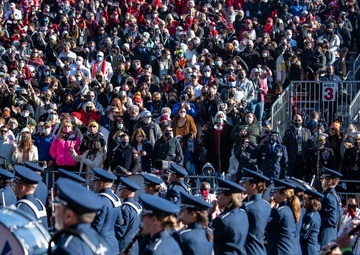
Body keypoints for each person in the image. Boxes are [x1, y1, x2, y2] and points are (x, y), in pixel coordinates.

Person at [50, 178, 111, 255]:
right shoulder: (99, 241)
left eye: (57, 209)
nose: (54, 214)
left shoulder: (66, 247)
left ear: (69, 215)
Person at [211, 178, 249, 255]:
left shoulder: (222, 220)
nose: (217, 196)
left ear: (228, 198)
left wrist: (209, 214)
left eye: (219, 194)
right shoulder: (243, 213)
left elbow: (206, 237)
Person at [240, 168, 271, 255]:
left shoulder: (246, 206)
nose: (242, 185)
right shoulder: (267, 205)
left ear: (253, 186)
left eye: (245, 183)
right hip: (261, 250)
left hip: (248, 250)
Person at [266, 179, 301, 255]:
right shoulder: (293, 210)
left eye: (275, 192)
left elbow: (264, 225)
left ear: (283, 194)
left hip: (280, 250)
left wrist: (268, 208)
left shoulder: (279, 211)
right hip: (291, 249)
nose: (273, 195)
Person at [91, 168, 122, 255]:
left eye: (95, 182)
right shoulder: (115, 198)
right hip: (112, 244)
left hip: (100, 245)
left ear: (101, 183)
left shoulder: (100, 200)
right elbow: (119, 223)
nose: (93, 184)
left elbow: (96, 225)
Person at [116, 177, 142, 255]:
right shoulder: (138, 206)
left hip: (124, 247)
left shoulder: (124, 208)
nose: (119, 190)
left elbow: (120, 231)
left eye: (121, 188)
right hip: (134, 246)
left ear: (126, 191)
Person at [282, 114, 312, 179]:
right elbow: (284, 146)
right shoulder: (288, 132)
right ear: (293, 121)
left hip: (303, 159)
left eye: (299, 120)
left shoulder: (307, 132)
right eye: (295, 121)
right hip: (292, 159)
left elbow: (310, 145)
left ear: (302, 121)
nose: (297, 122)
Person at [319, 167, 342, 248]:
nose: (321, 181)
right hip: (331, 234)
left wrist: (316, 221)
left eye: (323, 179)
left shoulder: (328, 197)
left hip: (326, 235)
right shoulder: (334, 195)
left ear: (330, 181)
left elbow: (331, 220)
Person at [300, 188, 323, 255]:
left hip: (308, 249)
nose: (303, 202)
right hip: (312, 247)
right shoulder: (316, 214)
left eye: (305, 200)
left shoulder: (309, 217)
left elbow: (303, 234)